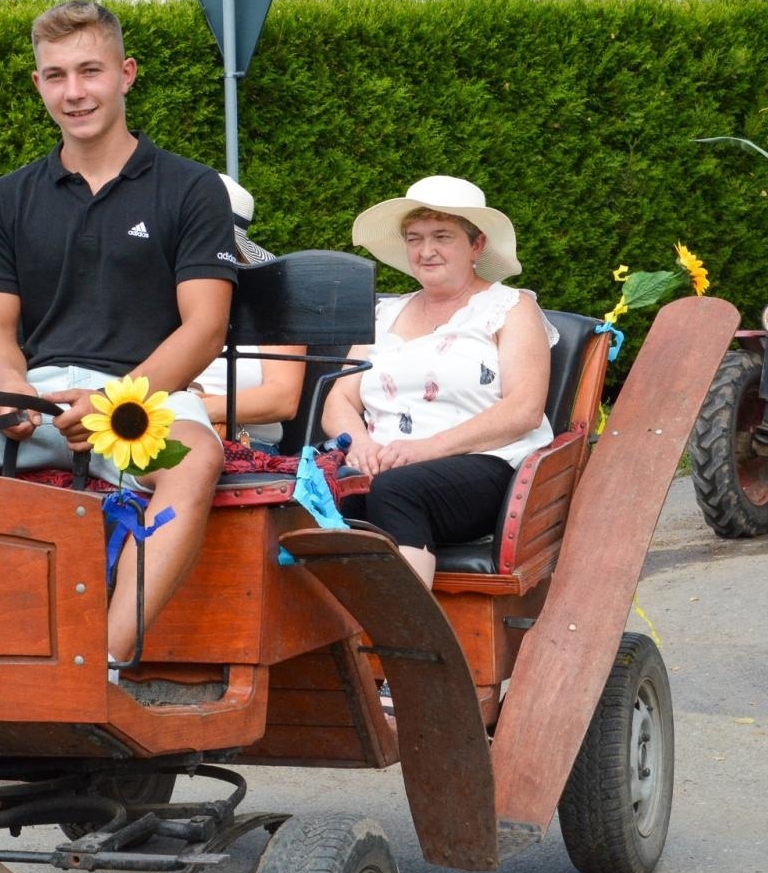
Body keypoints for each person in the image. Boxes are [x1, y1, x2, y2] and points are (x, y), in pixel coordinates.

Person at [0, 0, 235, 664]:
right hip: (34, 398)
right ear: (39, 85)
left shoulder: (191, 190)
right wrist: (11, 390)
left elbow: (205, 327)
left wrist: (111, 405)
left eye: (90, 71)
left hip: (141, 402)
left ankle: (103, 664)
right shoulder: (6, 197)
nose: (75, 92)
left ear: (125, 74)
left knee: (197, 458)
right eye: (56, 75)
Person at [322, 174, 556, 591]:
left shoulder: (510, 308)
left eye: (442, 236)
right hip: (382, 463)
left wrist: (425, 449)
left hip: (484, 465)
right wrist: (361, 444)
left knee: (396, 490)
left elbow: (525, 408)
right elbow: (339, 396)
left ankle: (409, 642)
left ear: (477, 245)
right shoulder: (383, 315)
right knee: (315, 495)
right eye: (414, 238)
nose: (426, 251)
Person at [189, 174, 305, 454]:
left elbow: (283, 399)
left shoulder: (273, 303)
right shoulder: (152, 297)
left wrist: (192, 408)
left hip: (245, 446)